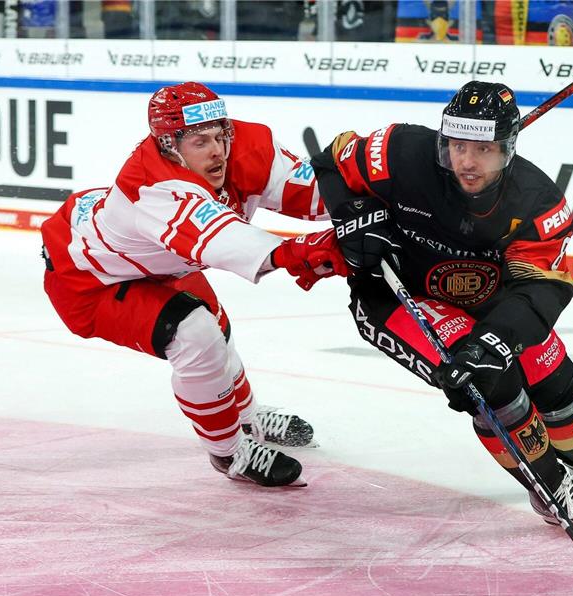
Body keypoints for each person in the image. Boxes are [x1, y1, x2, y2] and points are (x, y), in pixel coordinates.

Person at [311, 81, 573, 532]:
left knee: (547, 366)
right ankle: (551, 486)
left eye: (483, 149)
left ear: (507, 149)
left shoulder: (537, 202)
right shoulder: (399, 152)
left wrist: (495, 339)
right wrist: (350, 211)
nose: (467, 162)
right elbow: (330, 160)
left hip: (490, 299)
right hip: (399, 295)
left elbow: (542, 289)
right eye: (457, 145)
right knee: (492, 383)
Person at [41, 82, 347, 488]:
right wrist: (305, 251)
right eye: (201, 141)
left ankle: (248, 417)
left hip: (159, 262)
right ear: (170, 146)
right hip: (88, 280)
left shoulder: (243, 146)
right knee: (195, 333)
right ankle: (229, 453)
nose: (218, 150)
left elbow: (308, 192)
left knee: (216, 327)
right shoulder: (152, 188)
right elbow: (226, 241)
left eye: (221, 135)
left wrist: (367, 190)